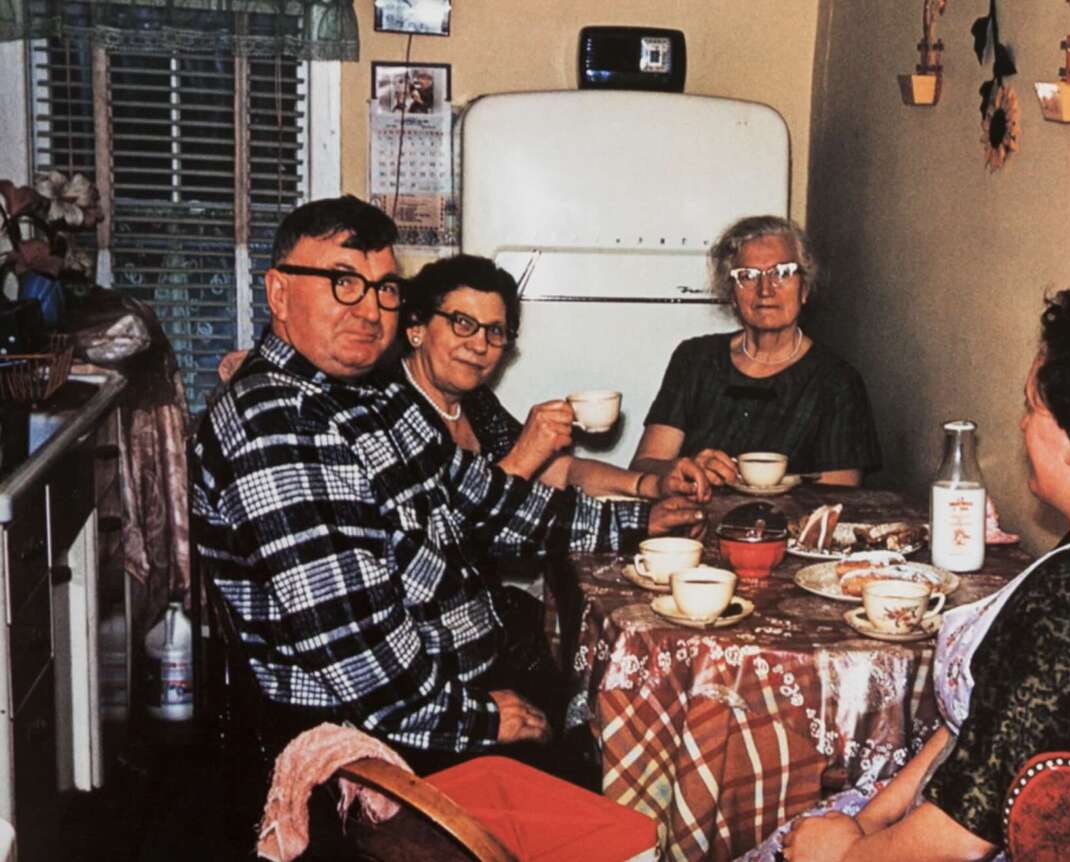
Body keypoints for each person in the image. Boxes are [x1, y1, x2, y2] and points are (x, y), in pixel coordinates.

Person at [190, 196, 706, 781]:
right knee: (626, 764)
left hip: (453, 687)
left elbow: (489, 500)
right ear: (279, 293)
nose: (369, 310)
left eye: (385, 288)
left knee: (619, 722)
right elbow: (357, 653)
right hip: (383, 746)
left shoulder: (370, 396)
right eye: (342, 282)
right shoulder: (276, 425)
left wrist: (638, 523)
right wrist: (483, 719)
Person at [743, 289, 1070, 862]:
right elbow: (985, 734)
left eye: (1032, 407)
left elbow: (959, 838)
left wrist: (844, 854)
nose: (1021, 422)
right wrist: (867, 816)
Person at [397, 253, 709, 501]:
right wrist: (523, 455)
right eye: (462, 323)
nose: (480, 345)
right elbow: (443, 529)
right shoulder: (392, 412)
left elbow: (561, 471)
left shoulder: (476, 403)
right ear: (416, 327)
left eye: (494, 331)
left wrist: (651, 486)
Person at [631, 215, 881, 489]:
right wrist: (684, 468)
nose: (765, 290)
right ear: (732, 295)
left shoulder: (837, 382)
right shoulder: (695, 359)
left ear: (804, 289)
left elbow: (840, 496)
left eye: (782, 273)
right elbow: (645, 465)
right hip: (692, 522)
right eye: (747, 276)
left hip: (788, 528)